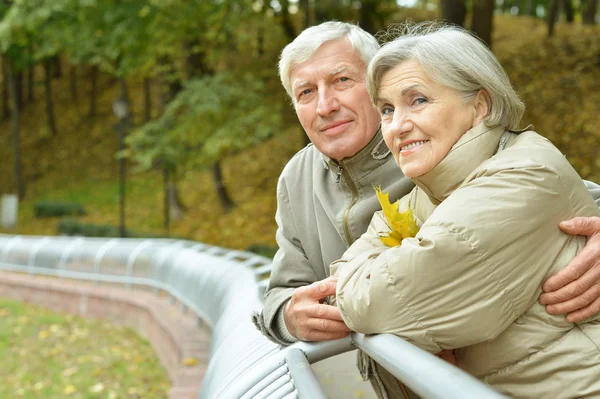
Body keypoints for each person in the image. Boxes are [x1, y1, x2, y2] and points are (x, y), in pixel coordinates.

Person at [251, 20, 600, 397]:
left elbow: (564, 193)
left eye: (341, 81)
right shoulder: (297, 179)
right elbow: (284, 289)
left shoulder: (434, 150)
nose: (325, 106)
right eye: (305, 92)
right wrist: (289, 317)